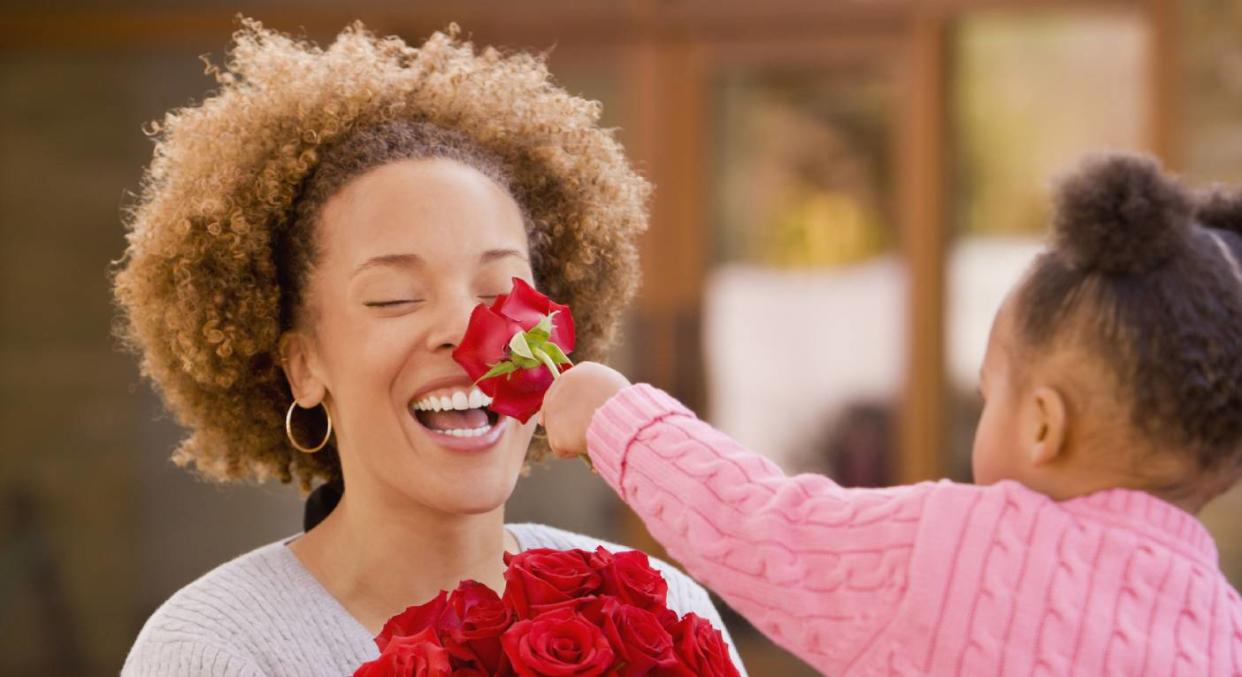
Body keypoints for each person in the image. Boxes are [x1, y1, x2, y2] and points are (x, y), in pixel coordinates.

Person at [114, 20, 742, 676]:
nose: (465, 330)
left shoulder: (656, 609)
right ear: (303, 365)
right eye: (394, 297)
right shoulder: (211, 651)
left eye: (501, 286)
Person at [543, 154, 1242, 674]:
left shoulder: (966, 546)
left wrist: (616, 416)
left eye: (988, 391)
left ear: (1041, 425)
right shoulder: (1222, 629)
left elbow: (768, 529)